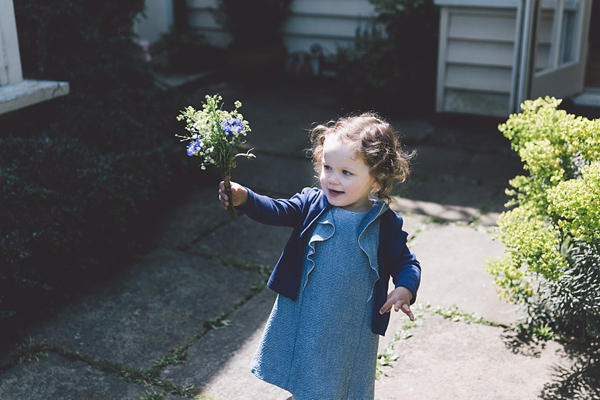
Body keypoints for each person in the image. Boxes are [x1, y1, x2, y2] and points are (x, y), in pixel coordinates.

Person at [218, 112, 421, 400]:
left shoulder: (383, 223)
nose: (332, 180)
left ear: (376, 178)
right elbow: (278, 209)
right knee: (306, 364)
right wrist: (246, 197)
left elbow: (406, 262)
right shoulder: (313, 203)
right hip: (308, 310)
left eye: (346, 173)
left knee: (339, 374)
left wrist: (404, 288)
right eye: (327, 167)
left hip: (352, 322)